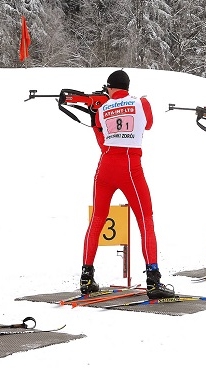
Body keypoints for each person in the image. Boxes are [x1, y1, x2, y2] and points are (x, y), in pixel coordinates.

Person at [80, 69, 175, 299]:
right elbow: (148, 123)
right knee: (145, 220)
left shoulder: (102, 110)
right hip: (130, 166)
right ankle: (153, 278)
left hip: (105, 165)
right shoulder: (141, 103)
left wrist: (98, 113)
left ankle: (86, 276)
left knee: (97, 220)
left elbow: (102, 143)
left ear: (111, 88)